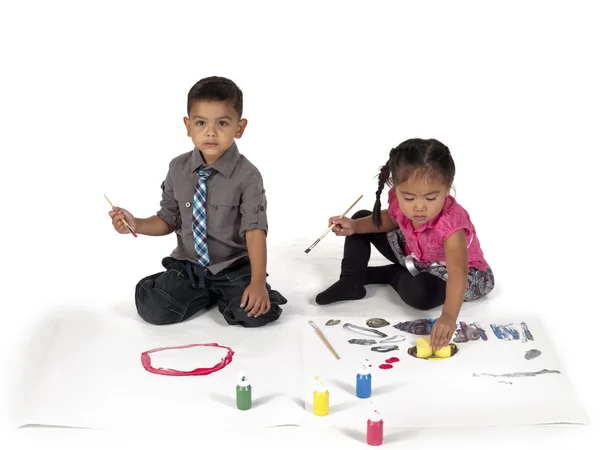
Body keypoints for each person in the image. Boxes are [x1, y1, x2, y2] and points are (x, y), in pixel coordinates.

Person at [109, 76, 287, 327]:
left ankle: (226, 292)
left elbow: (255, 230)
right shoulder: (178, 168)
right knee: (153, 309)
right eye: (201, 122)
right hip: (190, 265)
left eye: (223, 123)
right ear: (188, 125)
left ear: (240, 128)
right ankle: (199, 290)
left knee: (255, 315)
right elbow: (167, 220)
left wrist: (257, 282)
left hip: (232, 266)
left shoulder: (248, 176)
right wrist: (135, 224)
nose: (211, 132)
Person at [316, 138, 494, 349]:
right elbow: (391, 220)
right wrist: (353, 227)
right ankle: (351, 280)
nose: (419, 208)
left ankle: (389, 274)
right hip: (416, 255)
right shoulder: (401, 203)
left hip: (453, 274)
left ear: (448, 186)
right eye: (408, 198)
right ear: (395, 184)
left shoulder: (451, 223)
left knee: (422, 294)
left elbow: (458, 272)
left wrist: (447, 316)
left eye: (430, 198)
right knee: (363, 219)